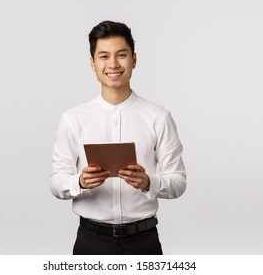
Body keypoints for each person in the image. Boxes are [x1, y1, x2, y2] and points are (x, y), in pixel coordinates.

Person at [50, 20, 186, 255]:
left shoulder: (158, 117)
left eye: (121, 55)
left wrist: (148, 182)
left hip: (144, 242)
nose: (113, 64)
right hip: (91, 242)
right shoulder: (73, 119)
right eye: (103, 56)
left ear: (134, 59)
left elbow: (179, 181)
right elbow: (56, 181)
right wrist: (79, 182)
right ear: (92, 63)